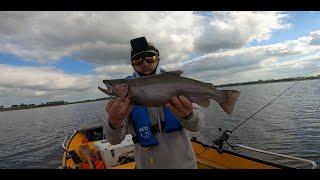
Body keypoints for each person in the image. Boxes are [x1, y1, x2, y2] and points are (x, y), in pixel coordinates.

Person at [103, 36, 205, 169]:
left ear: (158, 59)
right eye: (138, 61)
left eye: (150, 59)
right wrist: (114, 122)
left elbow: (198, 126)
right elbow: (114, 140)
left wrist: (189, 116)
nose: (145, 64)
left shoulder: (177, 83)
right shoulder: (123, 96)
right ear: (132, 64)